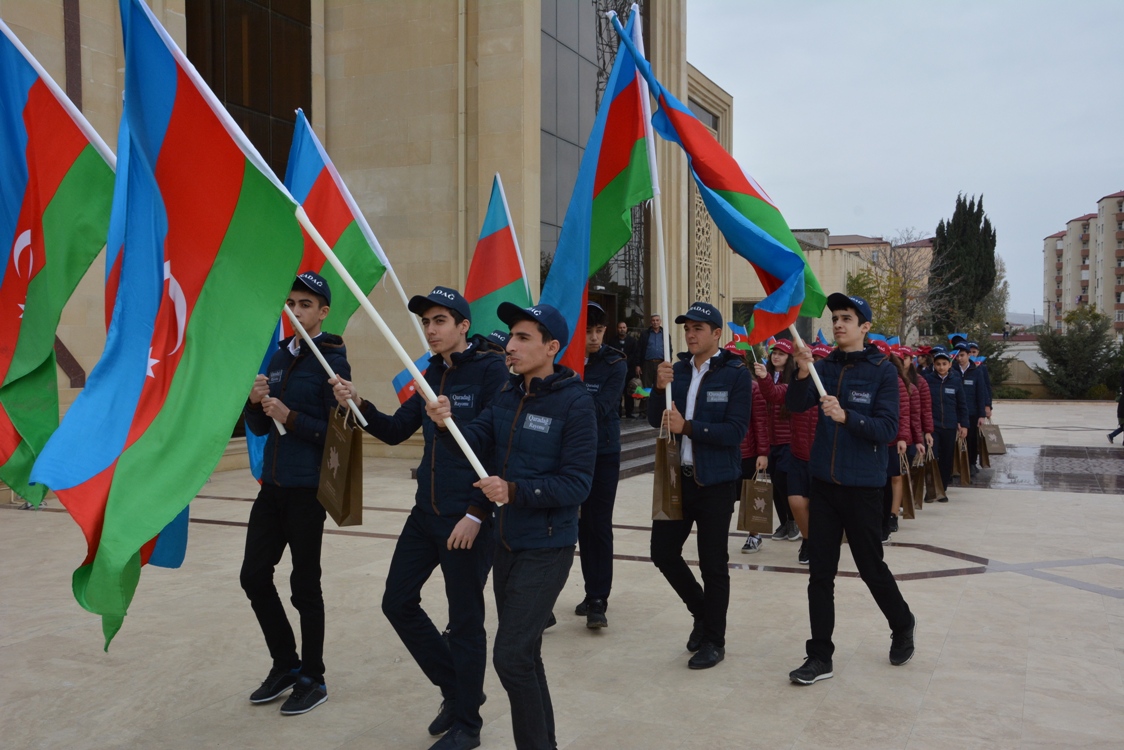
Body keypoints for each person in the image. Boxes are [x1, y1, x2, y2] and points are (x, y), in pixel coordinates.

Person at [330, 286, 507, 750]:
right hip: (424, 514)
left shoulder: (491, 373)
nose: (430, 330)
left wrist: (476, 512)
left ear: (463, 326)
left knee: (465, 621)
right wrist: (356, 403)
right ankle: (458, 688)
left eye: (440, 321)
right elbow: (391, 431)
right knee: (397, 602)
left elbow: (497, 450)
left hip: (465, 517)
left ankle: (468, 723)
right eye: (426, 322)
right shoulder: (428, 373)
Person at [426, 302, 596, 750]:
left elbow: (578, 484)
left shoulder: (576, 403)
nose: (512, 346)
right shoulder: (507, 392)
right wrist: (447, 424)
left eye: (523, 338)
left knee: (511, 658)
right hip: (506, 543)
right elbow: (476, 437)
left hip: (547, 546)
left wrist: (515, 491)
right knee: (528, 657)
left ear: (551, 347)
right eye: (512, 336)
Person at [785, 294, 915, 685]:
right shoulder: (824, 366)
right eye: (835, 318)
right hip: (824, 485)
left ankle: (902, 623)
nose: (839, 324)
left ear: (865, 327)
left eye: (847, 318)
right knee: (820, 574)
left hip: (863, 489)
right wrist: (803, 372)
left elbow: (888, 429)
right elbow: (793, 404)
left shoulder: (881, 371)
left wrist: (847, 416)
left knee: (871, 568)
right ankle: (819, 656)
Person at [240, 271, 350, 716]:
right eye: (291, 304)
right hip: (274, 485)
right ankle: (285, 663)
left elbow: (338, 434)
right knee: (253, 576)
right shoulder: (280, 357)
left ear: (323, 312)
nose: (296, 312)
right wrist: (254, 403)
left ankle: (313, 676)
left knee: (304, 585)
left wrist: (292, 414)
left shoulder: (333, 362)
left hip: (308, 490)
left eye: (306, 304)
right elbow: (264, 427)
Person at [647, 302, 750, 670]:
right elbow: (654, 420)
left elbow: (736, 431)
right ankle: (702, 612)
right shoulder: (677, 370)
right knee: (662, 551)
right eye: (687, 328)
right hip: (678, 479)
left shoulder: (735, 374)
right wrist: (659, 390)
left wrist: (688, 427)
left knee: (713, 564)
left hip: (716, 481)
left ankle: (714, 640)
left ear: (717, 333)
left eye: (698, 329)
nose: (691, 335)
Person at [574, 303, 627, 628]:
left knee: (598, 525)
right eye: (588, 331)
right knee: (577, 527)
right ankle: (588, 588)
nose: (593, 338)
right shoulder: (564, 360)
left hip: (603, 453)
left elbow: (602, 407)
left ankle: (598, 599)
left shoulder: (615, 362)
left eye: (598, 331)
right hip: (571, 455)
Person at [753, 339, 799, 543]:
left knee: (784, 480)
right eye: (774, 353)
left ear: (789, 357)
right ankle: (785, 522)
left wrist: (765, 380)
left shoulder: (794, 379)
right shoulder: (767, 376)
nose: (776, 356)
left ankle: (793, 520)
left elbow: (776, 394)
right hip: (770, 440)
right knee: (775, 485)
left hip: (788, 440)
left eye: (781, 353)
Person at [922, 347, 968, 494]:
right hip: (933, 426)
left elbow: (962, 404)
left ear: (949, 365)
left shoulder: (955, 381)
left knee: (946, 459)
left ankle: (942, 489)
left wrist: (964, 424)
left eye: (944, 364)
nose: (941, 367)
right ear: (934, 365)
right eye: (938, 364)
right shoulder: (927, 380)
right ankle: (931, 489)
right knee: (932, 457)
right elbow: (923, 404)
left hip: (949, 426)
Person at [738, 343, 769, 555]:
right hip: (725, 453)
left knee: (752, 498)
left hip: (748, 452)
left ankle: (754, 536)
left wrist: (763, 452)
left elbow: (760, 421)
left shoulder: (753, 388)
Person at [953, 343, 987, 475]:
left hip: (971, 412)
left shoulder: (976, 371)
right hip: (956, 411)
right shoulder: (952, 371)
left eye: (962, 355)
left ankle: (971, 463)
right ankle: (956, 465)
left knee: (972, 439)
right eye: (957, 356)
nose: (960, 359)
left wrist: (981, 414)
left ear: (968, 355)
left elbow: (981, 393)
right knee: (955, 440)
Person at [612, 320, 640, 418]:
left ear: (626, 329)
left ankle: (629, 412)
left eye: (624, 327)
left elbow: (635, 354)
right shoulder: (612, 341)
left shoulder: (632, 341)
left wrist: (636, 365)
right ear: (617, 329)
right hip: (616, 370)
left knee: (629, 391)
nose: (622, 329)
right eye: (620, 327)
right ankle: (618, 412)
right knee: (618, 392)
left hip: (629, 370)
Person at [636, 314, 666, 389]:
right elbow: (639, 349)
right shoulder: (645, 334)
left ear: (660, 322)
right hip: (647, 364)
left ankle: (657, 401)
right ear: (650, 322)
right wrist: (638, 365)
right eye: (653, 320)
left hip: (660, 363)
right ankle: (646, 401)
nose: (655, 322)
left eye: (657, 320)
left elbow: (669, 349)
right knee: (646, 387)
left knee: (660, 386)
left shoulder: (665, 334)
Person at [1108, 368, 1124, 443]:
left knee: (1122, 427)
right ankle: (1111, 435)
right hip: (1122, 414)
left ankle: (1111, 435)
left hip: (1121, 413)